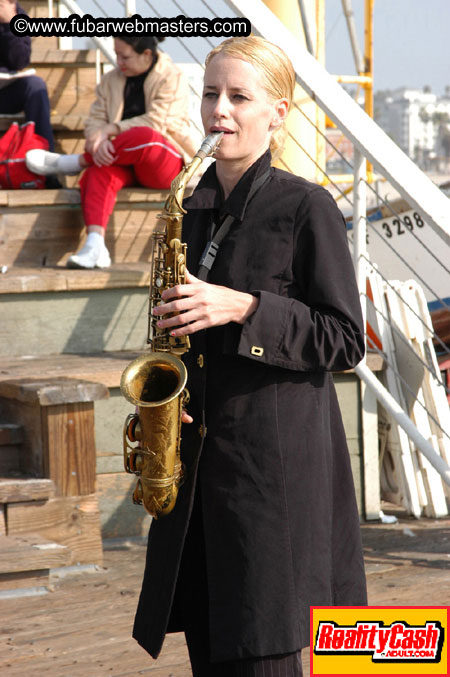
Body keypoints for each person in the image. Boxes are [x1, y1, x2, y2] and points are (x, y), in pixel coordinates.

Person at [132, 36, 368, 676]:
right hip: (201, 476)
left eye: (240, 97)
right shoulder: (190, 204)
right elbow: (179, 331)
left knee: (267, 648)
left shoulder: (306, 207)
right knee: (208, 646)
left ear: (279, 113)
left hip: (272, 480)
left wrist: (243, 307)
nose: (220, 112)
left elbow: (345, 338)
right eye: (211, 94)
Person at [26, 35, 196, 269]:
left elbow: (159, 121)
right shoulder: (110, 80)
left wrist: (111, 129)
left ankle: (76, 162)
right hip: (120, 159)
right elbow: (94, 122)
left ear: (146, 54)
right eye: (116, 54)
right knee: (98, 173)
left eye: (124, 56)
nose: (118, 61)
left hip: (163, 162)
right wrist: (98, 138)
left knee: (145, 135)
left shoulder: (172, 77)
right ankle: (95, 245)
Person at [0, 0, 59, 186]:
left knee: (35, 86)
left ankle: (47, 170)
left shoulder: (17, 15)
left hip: (4, 90)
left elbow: (19, 62)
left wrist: (9, 23)